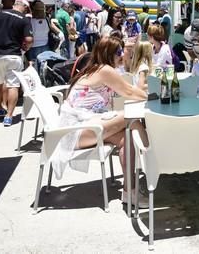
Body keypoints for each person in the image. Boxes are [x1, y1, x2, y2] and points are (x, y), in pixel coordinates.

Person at [56, 37, 148, 205]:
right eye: (119, 52)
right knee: (132, 117)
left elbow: (131, 92)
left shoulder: (95, 69)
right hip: (75, 131)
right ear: (108, 54)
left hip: (82, 128)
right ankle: (151, 161)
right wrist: (144, 80)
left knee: (127, 138)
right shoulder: (105, 70)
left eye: (122, 51)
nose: (123, 55)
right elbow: (133, 93)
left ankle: (130, 191)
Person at [27, 0, 58, 69]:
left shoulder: (29, 21)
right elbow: (58, 32)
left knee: (35, 69)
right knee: (44, 68)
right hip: (46, 46)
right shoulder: (47, 20)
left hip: (33, 47)